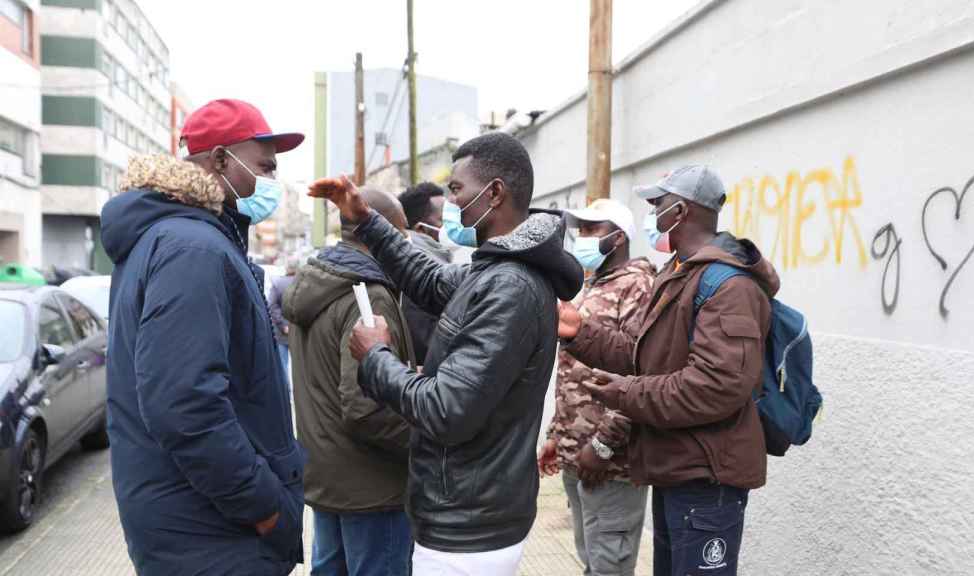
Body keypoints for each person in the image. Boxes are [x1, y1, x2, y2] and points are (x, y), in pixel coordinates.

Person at [309, 132, 584, 576]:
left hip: (470, 527)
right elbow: (431, 281)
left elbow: (445, 408)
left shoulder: (510, 285)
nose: (451, 203)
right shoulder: (495, 271)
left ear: (494, 193)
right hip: (466, 516)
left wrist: (376, 357)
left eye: (457, 190)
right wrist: (367, 220)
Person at [100, 99, 306, 575]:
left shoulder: (183, 238)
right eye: (264, 168)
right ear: (218, 161)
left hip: (196, 528)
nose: (271, 182)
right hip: (211, 536)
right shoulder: (191, 248)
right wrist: (265, 509)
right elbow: (184, 403)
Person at [557, 166, 780, 576]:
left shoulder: (729, 285)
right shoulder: (680, 273)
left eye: (657, 205)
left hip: (707, 477)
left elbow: (717, 386)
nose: (652, 215)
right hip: (677, 467)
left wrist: (626, 394)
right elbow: (645, 356)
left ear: (680, 212)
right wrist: (580, 333)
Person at [283, 187, 416, 576]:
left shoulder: (319, 283)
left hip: (329, 477)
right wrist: (425, 434)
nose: (404, 243)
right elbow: (366, 407)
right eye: (401, 232)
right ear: (380, 230)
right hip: (372, 487)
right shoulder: (366, 295)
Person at [538, 199, 655, 576]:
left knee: (609, 565)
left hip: (612, 462)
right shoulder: (591, 286)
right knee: (591, 559)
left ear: (618, 238)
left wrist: (603, 446)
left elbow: (640, 376)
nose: (582, 238)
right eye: (581, 230)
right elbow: (571, 371)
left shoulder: (638, 286)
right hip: (578, 454)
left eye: (592, 230)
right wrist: (557, 435)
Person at [398, 182, 453, 366]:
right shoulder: (417, 273)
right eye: (445, 221)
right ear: (421, 229)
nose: (455, 227)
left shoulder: (429, 262)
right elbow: (426, 345)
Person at [269, 254, 299, 389]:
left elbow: (272, 306)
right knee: (299, 364)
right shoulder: (303, 284)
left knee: (283, 365)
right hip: (299, 330)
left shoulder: (278, 284)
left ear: (286, 267)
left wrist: (283, 325)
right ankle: (298, 390)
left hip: (281, 332)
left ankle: (286, 391)